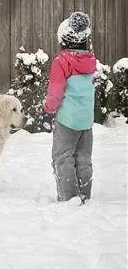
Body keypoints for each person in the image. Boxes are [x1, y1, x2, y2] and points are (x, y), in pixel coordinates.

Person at [44, 11, 96, 204]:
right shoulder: (90, 60)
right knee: (83, 159)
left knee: (63, 158)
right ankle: (85, 195)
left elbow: (56, 92)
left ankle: (69, 198)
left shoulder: (62, 61)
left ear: (63, 40)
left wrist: (48, 109)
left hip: (67, 120)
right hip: (86, 121)